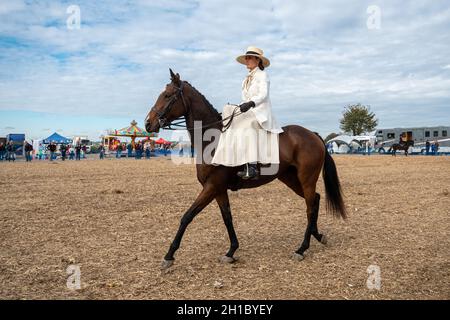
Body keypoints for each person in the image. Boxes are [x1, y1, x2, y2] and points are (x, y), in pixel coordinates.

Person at [211, 46, 283, 179]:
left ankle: (252, 167)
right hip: (250, 110)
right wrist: (237, 107)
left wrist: (251, 103)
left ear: (258, 60)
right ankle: (230, 156)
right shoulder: (246, 80)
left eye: (249, 58)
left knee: (246, 126)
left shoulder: (263, 75)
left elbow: (263, 94)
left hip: (260, 111)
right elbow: (245, 98)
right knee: (228, 113)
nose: (246, 60)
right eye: (246, 58)